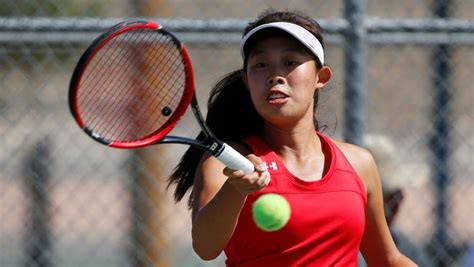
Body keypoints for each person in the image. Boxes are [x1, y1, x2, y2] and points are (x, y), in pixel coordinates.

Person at [168, 9, 417, 266]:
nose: (275, 76)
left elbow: (387, 259)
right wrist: (236, 188)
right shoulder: (227, 162)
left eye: (290, 62)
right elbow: (205, 247)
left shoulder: (359, 163)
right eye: (261, 65)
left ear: (321, 77)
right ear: (247, 81)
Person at [358, 134, 434, 267]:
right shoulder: (344, 250)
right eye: (388, 195)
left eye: (397, 194)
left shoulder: (404, 248)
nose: (398, 202)